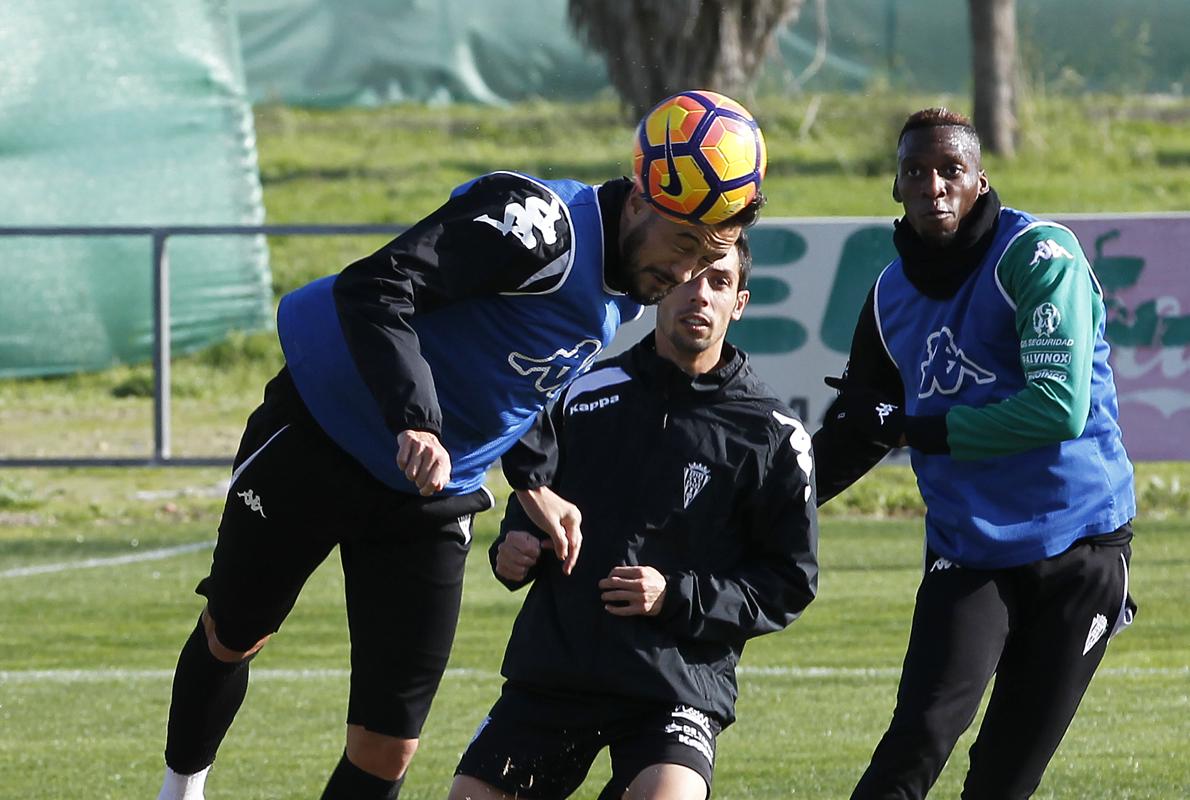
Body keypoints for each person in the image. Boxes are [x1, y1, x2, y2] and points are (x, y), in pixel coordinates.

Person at [154, 93, 768, 800]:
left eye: (710, 257)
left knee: (388, 745)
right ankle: (182, 787)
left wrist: (534, 480)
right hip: (323, 433)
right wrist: (414, 418)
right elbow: (376, 287)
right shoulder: (539, 225)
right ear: (638, 201)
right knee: (236, 632)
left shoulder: (631, 278)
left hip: (432, 494)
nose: (690, 274)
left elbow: (520, 369)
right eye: (686, 245)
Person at [812, 107, 1136, 799]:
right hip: (971, 552)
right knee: (916, 741)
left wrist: (918, 429)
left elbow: (1057, 407)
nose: (933, 185)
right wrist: (769, 502)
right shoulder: (889, 296)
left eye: (950, 170)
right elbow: (859, 428)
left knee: (1002, 780)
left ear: (979, 178)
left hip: (1082, 548)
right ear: (895, 188)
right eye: (916, 172)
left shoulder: (1038, 256)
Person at [448, 237, 819, 800]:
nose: (701, 295)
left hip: (676, 684)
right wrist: (515, 546)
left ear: (739, 302)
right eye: (689, 277)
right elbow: (534, 501)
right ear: (660, 287)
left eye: (718, 283)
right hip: (558, 672)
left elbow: (789, 582)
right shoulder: (581, 395)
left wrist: (675, 595)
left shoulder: (772, 434)